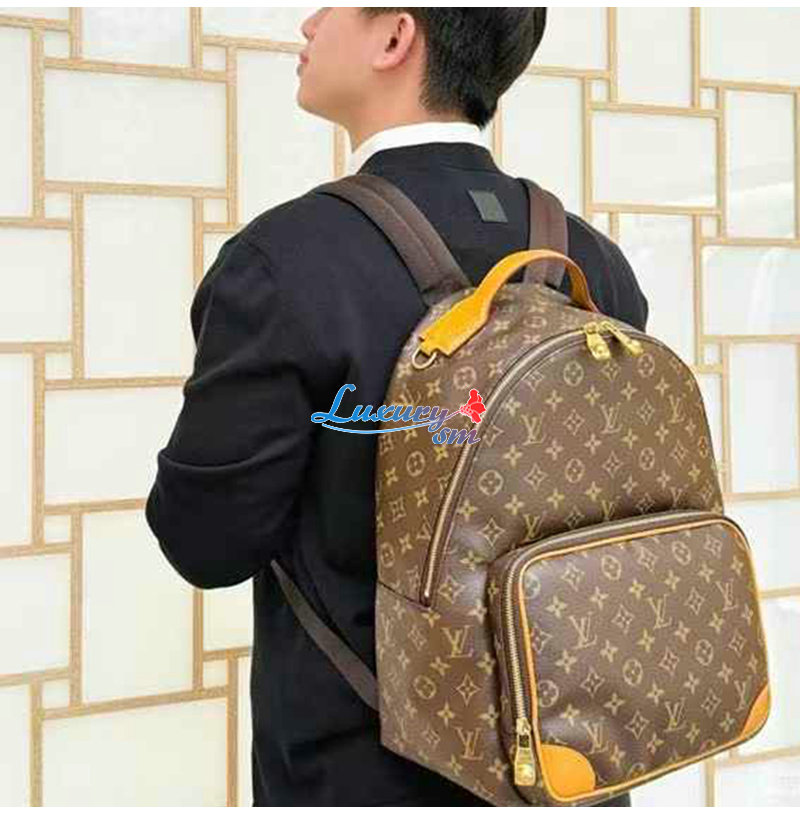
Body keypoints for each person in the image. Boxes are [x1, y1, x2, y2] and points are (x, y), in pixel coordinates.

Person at [145, 8, 647, 807]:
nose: (310, 22)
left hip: (357, 773)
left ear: (395, 37)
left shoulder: (285, 261)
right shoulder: (593, 262)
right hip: (572, 764)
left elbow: (205, 542)